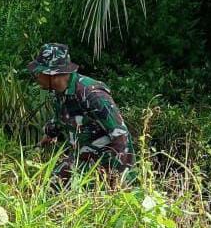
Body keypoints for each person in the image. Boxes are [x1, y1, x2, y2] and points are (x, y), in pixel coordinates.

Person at [28, 43, 134, 182]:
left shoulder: (92, 94)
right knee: (51, 185)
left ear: (52, 74)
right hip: (82, 155)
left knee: (60, 187)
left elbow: (121, 137)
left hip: (105, 160)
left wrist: (118, 180)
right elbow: (61, 118)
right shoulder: (59, 92)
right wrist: (46, 138)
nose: (36, 77)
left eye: (39, 73)